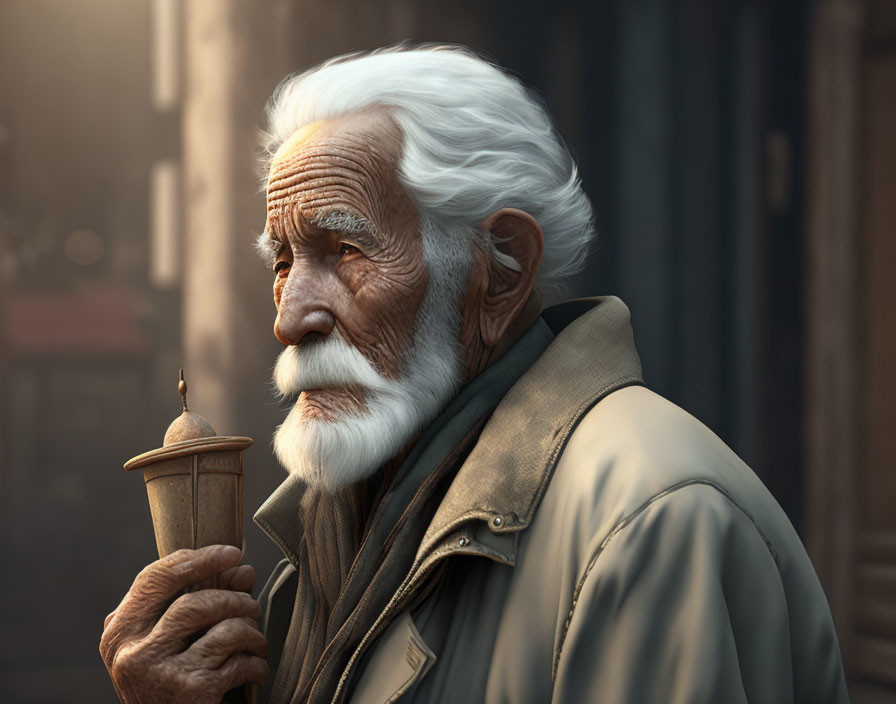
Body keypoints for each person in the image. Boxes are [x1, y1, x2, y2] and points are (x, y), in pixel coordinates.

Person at [100, 45, 850, 703]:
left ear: (501, 271)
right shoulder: (335, 532)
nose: (290, 318)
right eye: (285, 260)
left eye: (345, 250)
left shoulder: (653, 525)